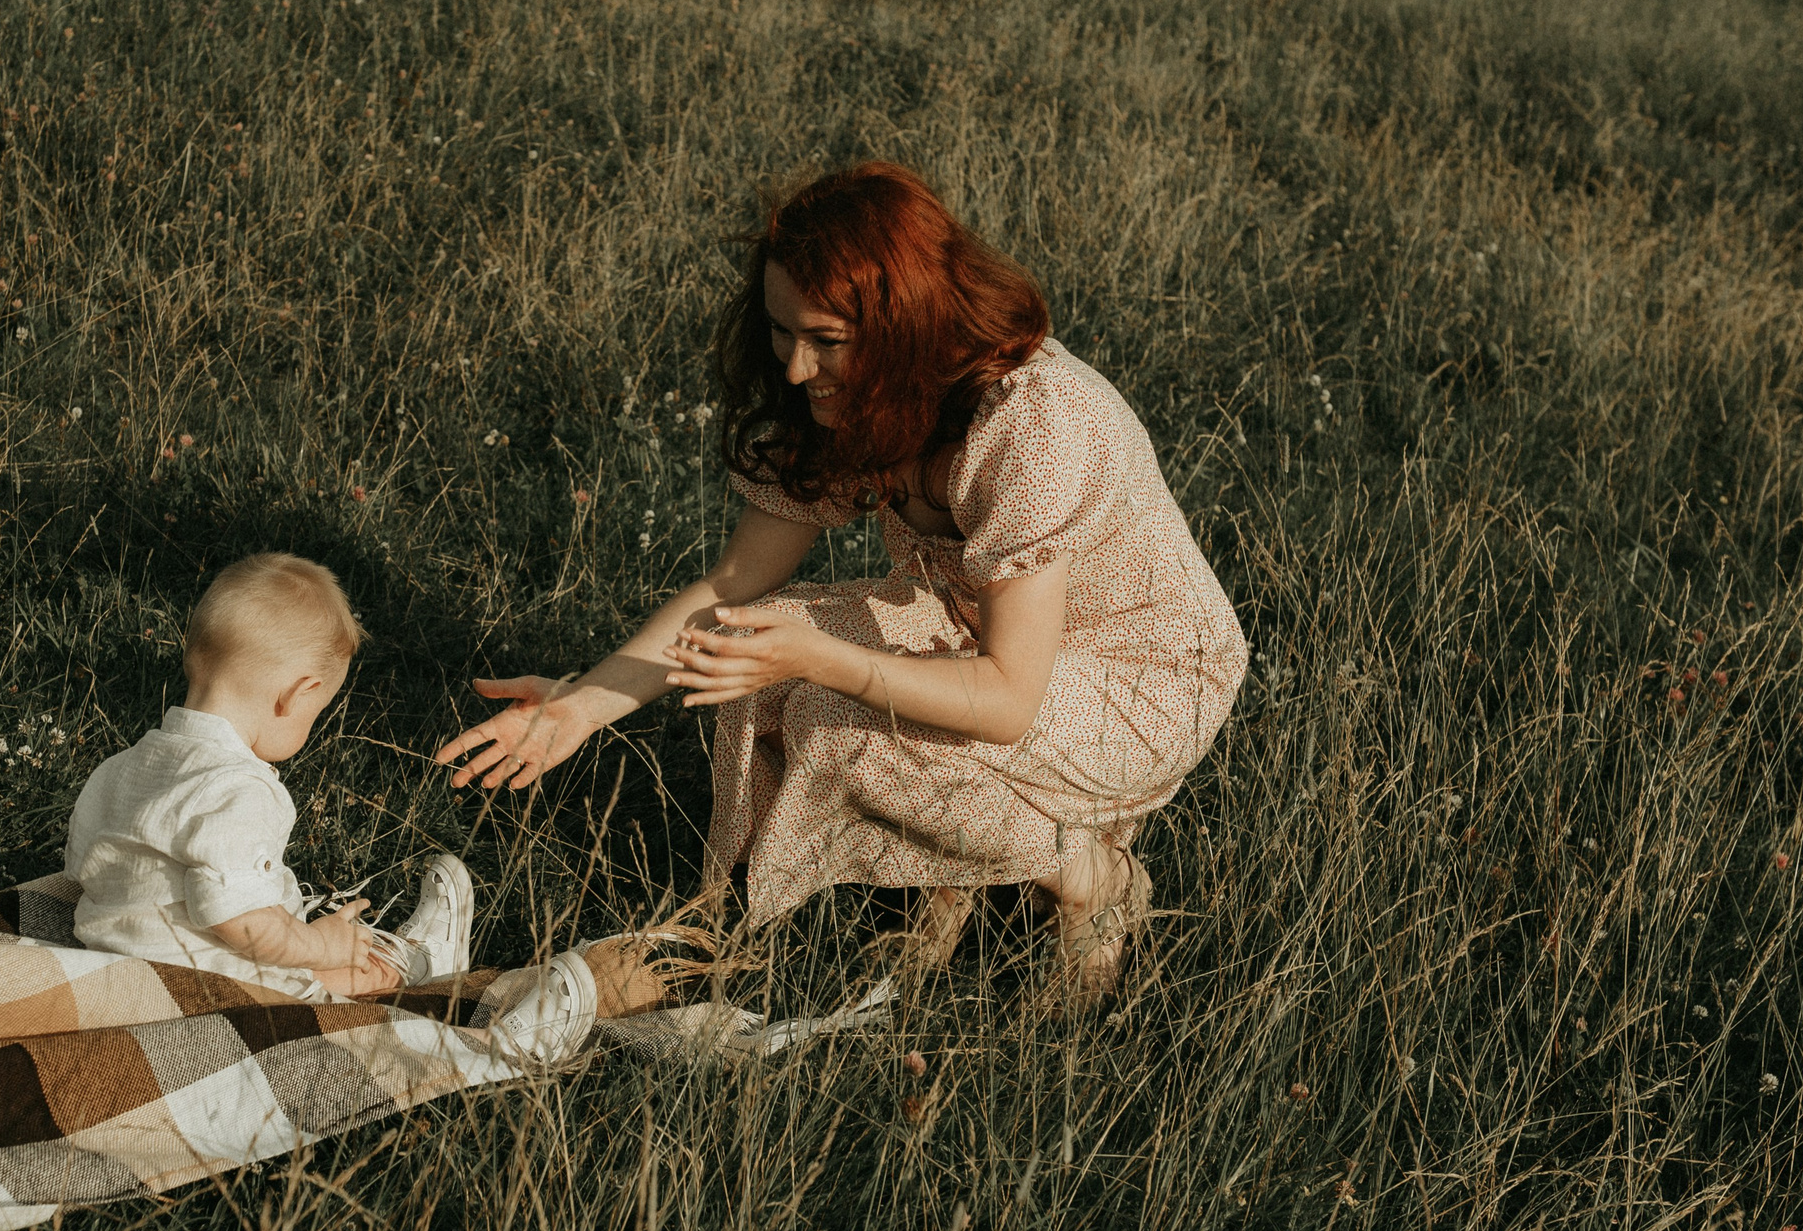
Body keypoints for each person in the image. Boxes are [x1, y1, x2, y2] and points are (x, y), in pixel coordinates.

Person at [436, 164, 1246, 1005]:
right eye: (784, 332)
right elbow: (733, 581)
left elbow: (1008, 697)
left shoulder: (1030, 422)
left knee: (830, 715)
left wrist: (823, 659)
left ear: (907, 328)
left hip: (1144, 676)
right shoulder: (849, 397)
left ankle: (1086, 872)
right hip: (987, 633)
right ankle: (749, 926)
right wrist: (581, 705)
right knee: (760, 640)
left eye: (827, 339)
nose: (794, 368)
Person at [66, 552, 474, 1001]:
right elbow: (241, 922)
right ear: (298, 695)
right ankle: (414, 968)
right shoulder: (239, 790)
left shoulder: (123, 766)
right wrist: (319, 945)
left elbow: (81, 868)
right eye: (316, 715)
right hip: (205, 990)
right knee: (319, 978)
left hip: (110, 973)